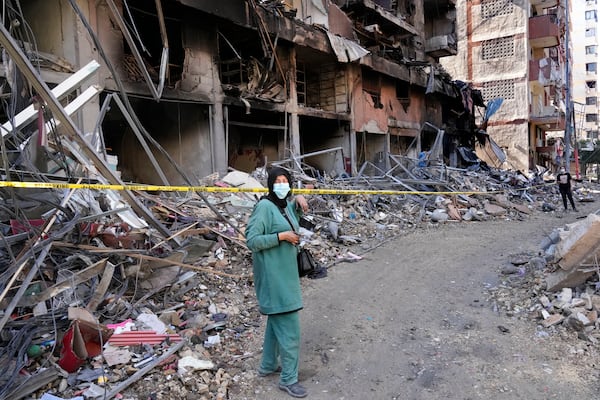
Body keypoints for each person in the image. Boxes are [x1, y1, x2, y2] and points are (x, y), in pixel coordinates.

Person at [245, 167, 309, 398]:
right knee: (290, 329)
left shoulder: (282, 206)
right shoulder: (264, 207)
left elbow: (289, 221)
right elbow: (252, 240)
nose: (282, 184)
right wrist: (280, 237)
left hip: (285, 275)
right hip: (274, 280)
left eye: (285, 181)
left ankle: (268, 365)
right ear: (270, 185)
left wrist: (298, 201)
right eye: (278, 181)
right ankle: (288, 379)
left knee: (276, 322)